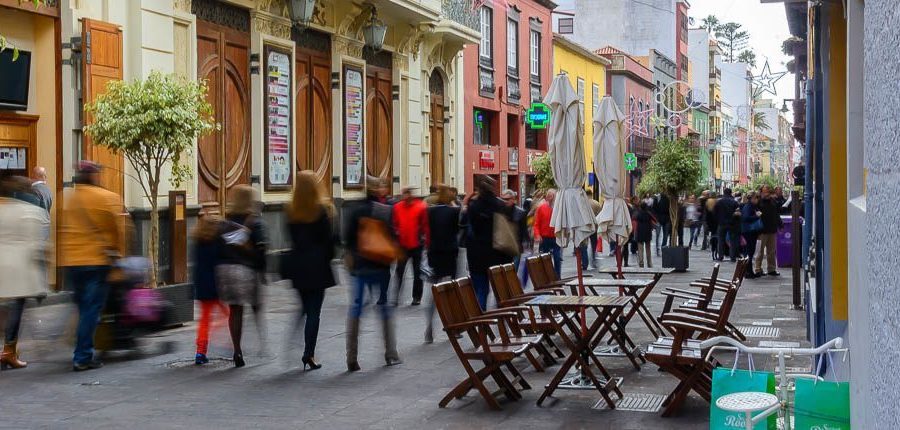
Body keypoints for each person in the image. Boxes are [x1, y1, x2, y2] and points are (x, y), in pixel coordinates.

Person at [59, 161, 128, 371]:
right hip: (97, 262)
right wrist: (119, 258)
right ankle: (82, 356)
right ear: (94, 176)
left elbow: (60, 230)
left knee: (82, 308)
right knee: (91, 309)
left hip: (71, 262)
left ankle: (82, 350)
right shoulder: (107, 198)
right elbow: (118, 230)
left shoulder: (67, 199)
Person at [345, 176, 402, 371]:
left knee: (356, 308)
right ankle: (390, 353)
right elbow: (393, 237)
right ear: (378, 190)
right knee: (384, 306)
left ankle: (351, 357)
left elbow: (348, 240)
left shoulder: (355, 211)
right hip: (381, 266)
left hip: (361, 267)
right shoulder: (385, 211)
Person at [284, 171, 336, 371]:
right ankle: (309, 353)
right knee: (314, 312)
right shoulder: (322, 211)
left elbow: (292, 239)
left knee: (305, 308)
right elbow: (329, 243)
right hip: (318, 267)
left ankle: (293, 340)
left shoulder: (291, 211)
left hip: (298, 267)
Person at [0, 176, 50, 370]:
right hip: (18, 270)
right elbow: (35, 246)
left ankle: (9, 350)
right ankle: (9, 351)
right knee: (16, 309)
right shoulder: (31, 212)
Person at [216, 185, 268, 368]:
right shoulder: (254, 221)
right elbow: (261, 250)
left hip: (226, 271)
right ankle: (261, 342)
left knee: (235, 311)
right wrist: (263, 271)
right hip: (246, 271)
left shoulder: (224, 222)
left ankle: (237, 350)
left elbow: (218, 248)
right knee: (256, 306)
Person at [463, 176, 514, 309]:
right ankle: (502, 318)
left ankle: (481, 323)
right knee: (500, 291)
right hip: (497, 256)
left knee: (480, 290)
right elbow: (506, 232)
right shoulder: (500, 205)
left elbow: (470, 230)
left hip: (477, 256)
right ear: (493, 188)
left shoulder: (473, 206)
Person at [191, 210, 229, 365]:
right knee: (229, 314)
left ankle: (200, 351)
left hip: (202, 285)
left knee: (204, 319)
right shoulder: (218, 242)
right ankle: (229, 343)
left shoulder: (198, 241)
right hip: (217, 285)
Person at [424, 185, 461, 343]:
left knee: (433, 292)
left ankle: (429, 327)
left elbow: (428, 232)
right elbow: (456, 231)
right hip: (450, 255)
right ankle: (452, 327)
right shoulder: (453, 211)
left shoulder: (430, 211)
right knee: (450, 292)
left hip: (435, 255)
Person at [392, 186, 429, 306]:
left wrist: (425, 240)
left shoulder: (421, 207)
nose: (405, 196)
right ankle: (396, 295)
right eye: (404, 194)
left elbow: (425, 225)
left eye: (407, 194)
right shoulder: (397, 207)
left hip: (416, 244)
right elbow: (394, 223)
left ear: (411, 195)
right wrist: (396, 233)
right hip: (402, 245)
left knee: (417, 272)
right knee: (399, 271)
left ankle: (417, 297)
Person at [755, 185, 784, 277]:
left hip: (772, 229)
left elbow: (776, 214)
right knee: (759, 251)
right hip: (761, 230)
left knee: (771, 251)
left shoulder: (772, 201)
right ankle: (758, 269)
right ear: (761, 192)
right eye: (765, 191)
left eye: (768, 191)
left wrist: (780, 225)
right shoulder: (758, 202)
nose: (767, 193)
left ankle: (771, 269)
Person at [534, 188, 561, 278]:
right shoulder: (541, 208)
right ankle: (547, 276)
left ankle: (557, 276)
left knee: (557, 258)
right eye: (549, 196)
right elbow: (536, 224)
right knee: (545, 259)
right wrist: (537, 235)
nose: (550, 198)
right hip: (544, 238)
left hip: (556, 237)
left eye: (552, 196)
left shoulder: (559, 209)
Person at [713, 188, 741, 262]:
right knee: (732, 241)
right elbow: (738, 213)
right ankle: (732, 257)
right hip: (732, 223)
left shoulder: (719, 202)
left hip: (722, 224)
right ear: (731, 193)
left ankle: (721, 256)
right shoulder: (734, 202)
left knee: (721, 240)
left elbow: (714, 212)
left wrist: (718, 220)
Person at [741, 192, 762, 277]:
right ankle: (748, 272)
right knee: (749, 252)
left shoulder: (751, 206)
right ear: (752, 198)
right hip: (748, 232)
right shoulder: (748, 206)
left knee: (750, 252)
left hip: (750, 232)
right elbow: (746, 218)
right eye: (756, 197)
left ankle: (749, 271)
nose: (757, 199)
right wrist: (757, 216)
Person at [632, 202, 655, 268]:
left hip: (640, 233)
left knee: (640, 249)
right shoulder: (649, 214)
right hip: (648, 233)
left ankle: (641, 263)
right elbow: (654, 220)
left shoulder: (637, 214)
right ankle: (649, 263)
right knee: (648, 249)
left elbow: (633, 218)